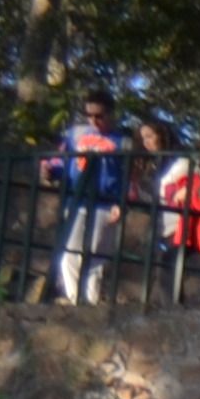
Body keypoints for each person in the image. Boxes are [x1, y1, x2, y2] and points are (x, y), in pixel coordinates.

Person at [45, 95, 126, 303]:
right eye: (89, 115)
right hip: (76, 201)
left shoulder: (123, 141)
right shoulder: (74, 135)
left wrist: (121, 202)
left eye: (99, 115)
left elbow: (127, 175)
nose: (93, 121)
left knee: (94, 258)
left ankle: (89, 302)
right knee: (68, 254)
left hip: (104, 204)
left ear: (110, 114)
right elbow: (60, 161)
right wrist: (49, 170)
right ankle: (76, 301)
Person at [152, 127, 200, 300]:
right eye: (143, 137)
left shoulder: (183, 163)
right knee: (167, 265)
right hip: (167, 226)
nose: (146, 141)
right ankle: (172, 308)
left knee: (168, 265)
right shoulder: (158, 164)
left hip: (184, 225)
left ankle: (172, 311)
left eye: (149, 136)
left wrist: (185, 191)